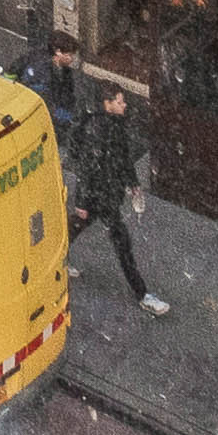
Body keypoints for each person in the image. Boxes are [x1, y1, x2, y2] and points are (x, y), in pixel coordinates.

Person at [48, 49, 164, 317]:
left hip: (104, 195)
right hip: (101, 197)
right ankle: (142, 294)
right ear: (107, 103)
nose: (125, 105)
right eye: (120, 102)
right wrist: (82, 202)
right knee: (122, 246)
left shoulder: (113, 124)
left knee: (76, 231)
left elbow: (122, 158)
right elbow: (89, 169)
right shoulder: (99, 131)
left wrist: (132, 183)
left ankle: (56, 261)